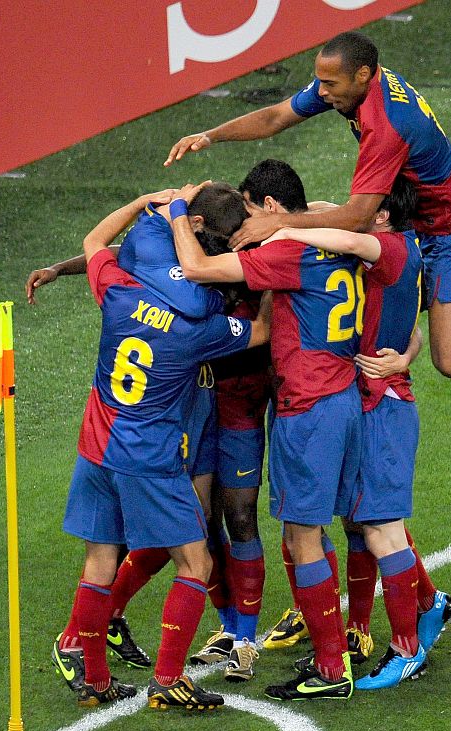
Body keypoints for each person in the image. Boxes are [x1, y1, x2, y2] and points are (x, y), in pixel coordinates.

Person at [165, 31, 451, 420]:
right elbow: (276, 116)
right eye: (320, 81)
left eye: (330, 83)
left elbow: (359, 216)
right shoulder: (353, 84)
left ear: (363, 75)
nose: (321, 91)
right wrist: (211, 134)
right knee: (407, 286)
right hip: (420, 218)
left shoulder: (386, 125)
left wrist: (279, 224)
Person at [48, 188, 271, 710]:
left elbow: (95, 240)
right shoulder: (198, 328)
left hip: (95, 447)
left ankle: (95, 680)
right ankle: (169, 679)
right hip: (148, 458)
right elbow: (260, 330)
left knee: (100, 561)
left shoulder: (119, 291)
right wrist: (271, 280)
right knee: (195, 564)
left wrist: (143, 201)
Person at [166, 165, 363, 701]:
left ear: (269, 207)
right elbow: (333, 214)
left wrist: (179, 211)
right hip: (342, 397)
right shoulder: (340, 239)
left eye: (253, 212)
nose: (247, 223)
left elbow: (198, 267)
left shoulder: (283, 252)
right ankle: (336, 644)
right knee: (336, 525)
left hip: (305, 405)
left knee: (301, 536)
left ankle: (330, 666)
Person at [272, 175, 451, 688]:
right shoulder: (406, 252)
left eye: (367, 204)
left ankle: (406, 650)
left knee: (380, 529)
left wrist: (284, 227)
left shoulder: (389, 249)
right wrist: (405, 354)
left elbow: (350, 237)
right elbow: (415, 329)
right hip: (374, 396)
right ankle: (426, 605)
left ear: (382, 216)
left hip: (383, 407)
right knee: (365, 522)